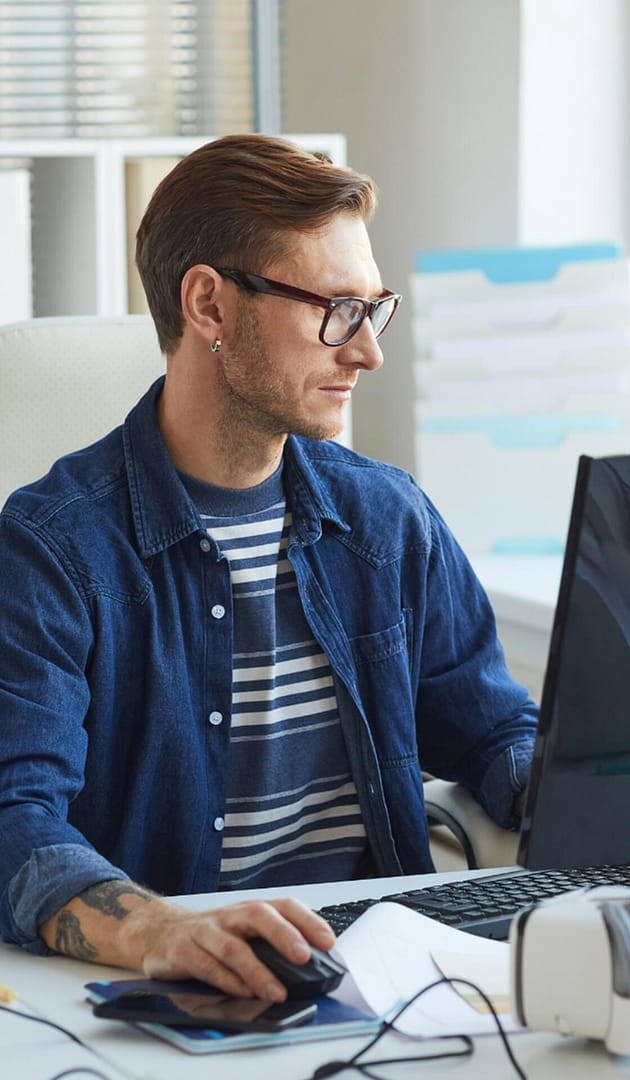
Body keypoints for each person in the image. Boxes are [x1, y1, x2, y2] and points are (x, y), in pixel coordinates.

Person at [0, 134, 537, 1001]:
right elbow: (15, 817)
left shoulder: (387, 520)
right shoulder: (52, 549)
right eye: (337, 310)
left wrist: (580, 778)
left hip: (382, 975)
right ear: (208, 304)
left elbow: (490, 730)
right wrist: (158, 928)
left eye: (373, 310)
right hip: (170, 987)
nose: (367, 352)